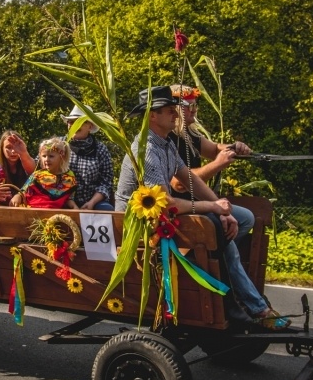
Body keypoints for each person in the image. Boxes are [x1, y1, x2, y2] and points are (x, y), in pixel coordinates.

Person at [114, 86, 289, 330]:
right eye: (169, 110)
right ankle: (242, 305)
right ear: (152, 116)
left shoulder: (165, 145)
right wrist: (214, 208)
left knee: (220, 233)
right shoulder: (146, 151)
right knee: (216, 234)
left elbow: (190, 178)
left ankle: (224, 286)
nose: (176, 114)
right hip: (139, 227)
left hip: (162, 219)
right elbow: (167, 203)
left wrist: (221, 207)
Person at [168, 84, 255, 242]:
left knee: (247, 218)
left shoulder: (189, 134)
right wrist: (218, 164)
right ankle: (211, 254)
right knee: (232, 223)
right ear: (175, 109)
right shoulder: (169, 137)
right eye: (190, 106)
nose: (194, 110)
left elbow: (214, 149)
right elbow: (178, 184)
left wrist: (233, 148)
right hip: (182, 208)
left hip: (198, 202)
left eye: (196, 105)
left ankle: (213, 251)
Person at [62, 104, 115, 211]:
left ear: (90, 126)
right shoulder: (58, 145)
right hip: (61, 199)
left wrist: (92, 203)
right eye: (71, 122)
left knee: (106, 210)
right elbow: (39, 168)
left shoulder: (101, 149)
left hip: (92, 202)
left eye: (79, 122)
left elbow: (106, 182)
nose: (74, 125)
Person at [11, 137, 78, 209]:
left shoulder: (69, 177)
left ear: (61, 156)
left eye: (51, 156)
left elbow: (69, 198)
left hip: (55, 215)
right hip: (33, 211)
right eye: (44, 156)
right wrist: (17, 196)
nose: (47, 159)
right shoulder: (37, 175)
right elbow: (23, 191)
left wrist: (74, 206)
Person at [0, 130, 37, 204]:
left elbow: (35, 173)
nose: (13, 151)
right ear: (2, 149)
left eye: (16, 147)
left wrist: (23, 153)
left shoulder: (27, 163)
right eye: (8, 147)